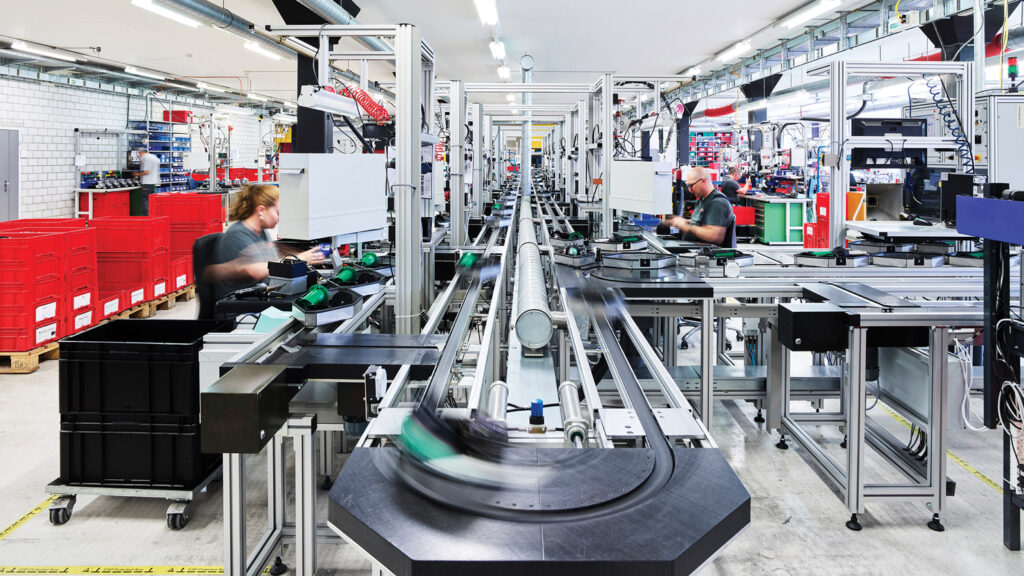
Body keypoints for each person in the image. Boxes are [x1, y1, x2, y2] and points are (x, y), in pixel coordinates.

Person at [207, 184, 324, 299]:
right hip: (242, 304)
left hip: (264, 294)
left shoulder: (261, 232)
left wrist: (300, 256)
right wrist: (301, 258)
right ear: (261, 210)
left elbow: (272, 259)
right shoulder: (237, 234)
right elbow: (257, 270)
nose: (279, 218)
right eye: (277, 213)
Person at [661, 167, 733, 246]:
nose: (690, 190)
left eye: (692, 185)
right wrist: (682, 221)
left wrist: (685, 226)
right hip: (693, 248)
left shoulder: (718, 203)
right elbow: (702, 221)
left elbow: (715, 236)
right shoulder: (702, 199)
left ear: (703, 181)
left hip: (704, 254)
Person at [135, 147, 160, 215]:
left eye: (139, 154)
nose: (139, 155)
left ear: (141, 152)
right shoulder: (154, 157)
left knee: (144, 200)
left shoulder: (146, 158)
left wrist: (137, 174)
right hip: (153, 183)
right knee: (150, 201)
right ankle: (152, 215)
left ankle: (146, 216)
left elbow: (147, 171)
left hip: (147, 183)